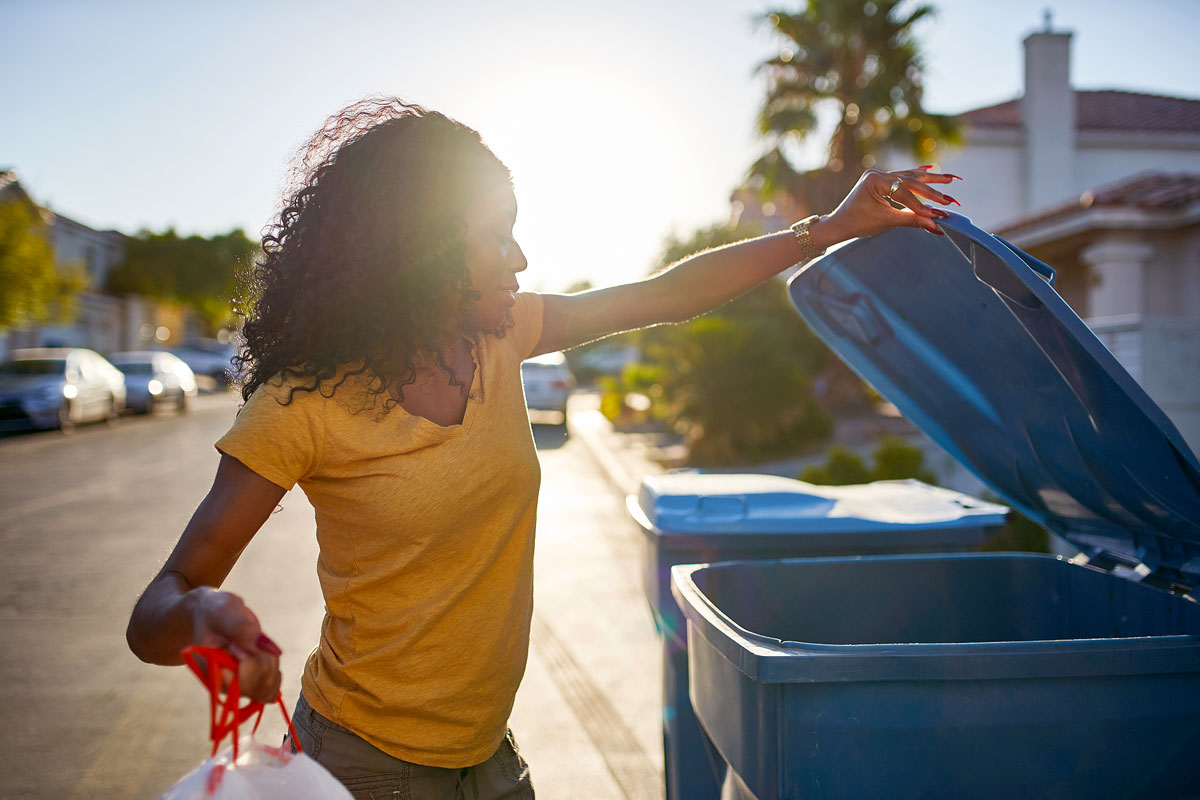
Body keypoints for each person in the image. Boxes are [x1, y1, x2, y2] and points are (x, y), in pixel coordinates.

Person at [126, 96, 959, 799]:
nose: (521, 258)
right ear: (414, 254)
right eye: (496, 236)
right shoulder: (303, 402)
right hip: (361, 765)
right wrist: (200, 617)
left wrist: (829, 229)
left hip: (490, 760)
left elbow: (666, 293)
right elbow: (159, 604)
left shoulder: (499, 336)